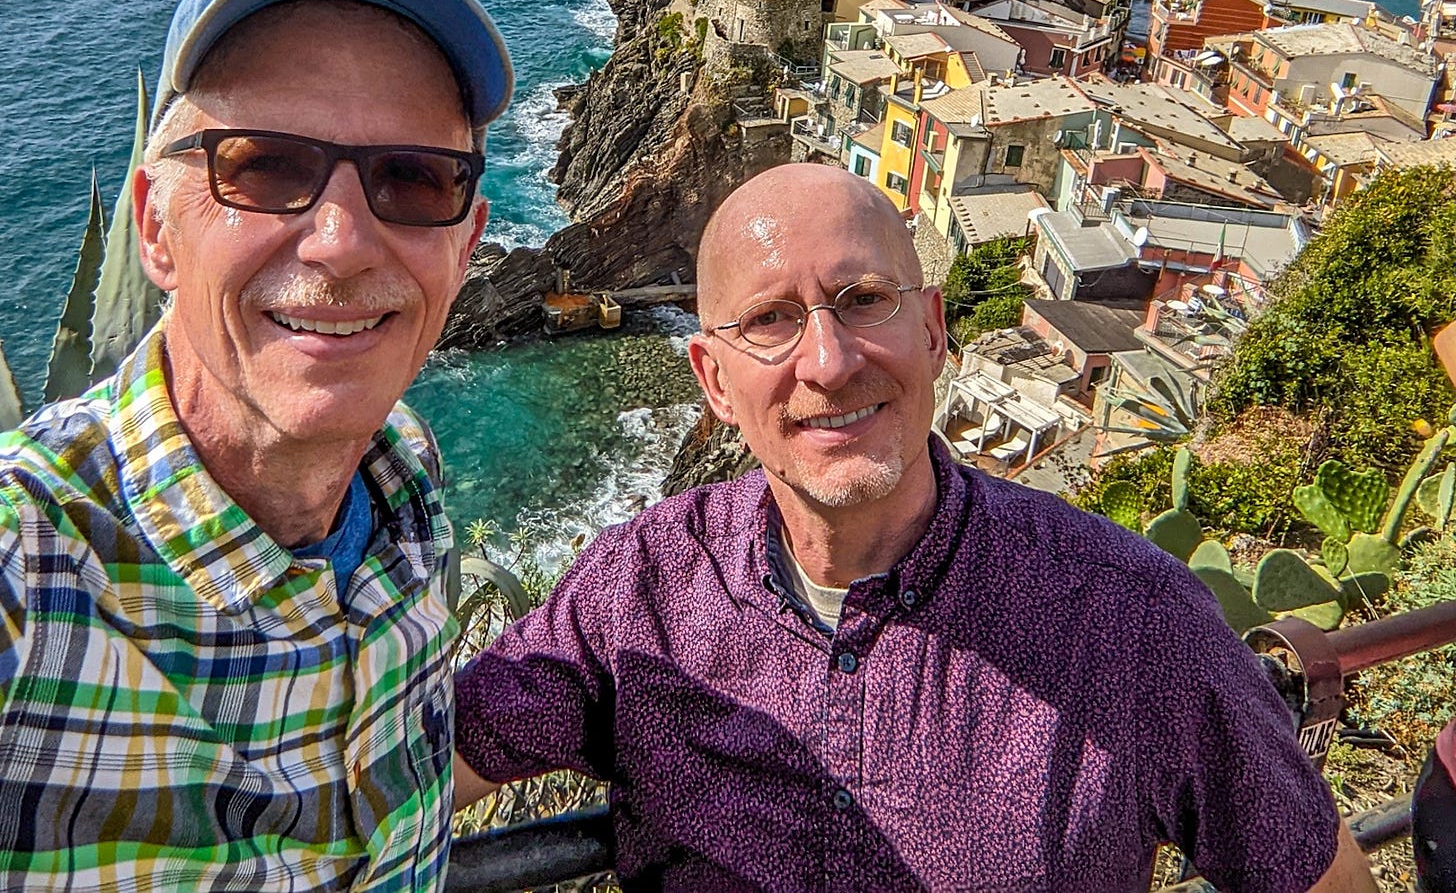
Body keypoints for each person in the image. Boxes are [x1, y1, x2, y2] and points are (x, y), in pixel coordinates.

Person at [455, 163, 1375, 892]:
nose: (829, 360)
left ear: (934, 330)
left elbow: (1319, 877)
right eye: (771, 320)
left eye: (863, 299)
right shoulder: (639, 594)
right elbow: (392, 775)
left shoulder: (1128, 618)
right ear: (712, 380)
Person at [0, 0, 511, 890]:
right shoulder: (28, 571)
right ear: (154, 225)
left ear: (468, 241)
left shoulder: (405, 477)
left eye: (413, 177)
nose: (345, 240)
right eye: (266, 165)